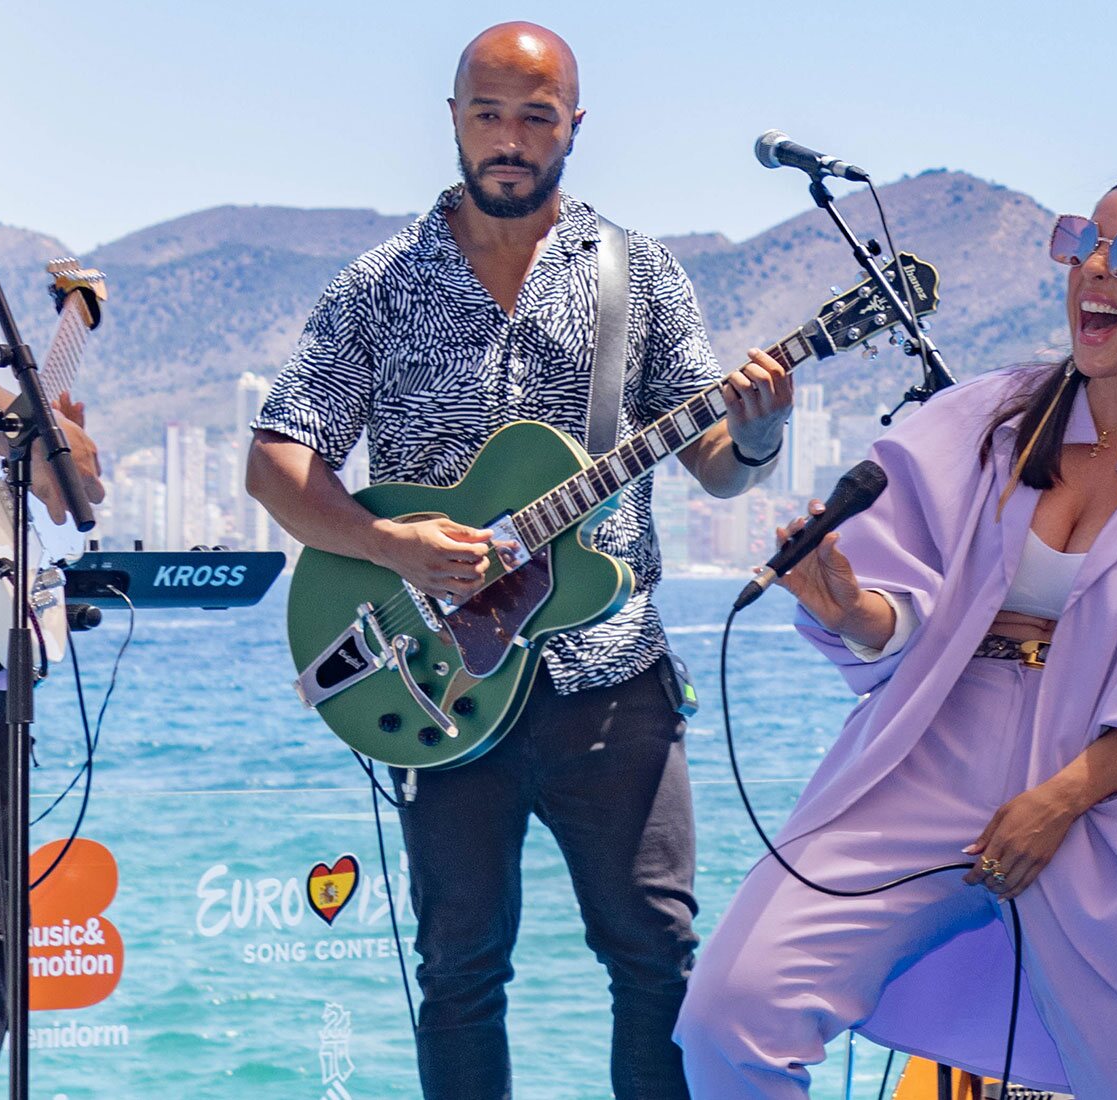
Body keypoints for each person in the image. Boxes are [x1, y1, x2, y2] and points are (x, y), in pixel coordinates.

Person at [245, 23, 792, 1099]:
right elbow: (276, 461)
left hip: (611, 679)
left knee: (656, 961)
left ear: (572, 128)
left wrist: (763, 428)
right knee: (457, 972)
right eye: (488, 112)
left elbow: (719, 468)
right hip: (435, 679)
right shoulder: (379, 286)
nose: (509, 138)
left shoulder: (638, 278)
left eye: (535, 117)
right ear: (452, 117)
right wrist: (388, 540)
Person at [677, 173, 1117, 1099]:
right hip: (931, 751)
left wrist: (1057, 804)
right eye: (1083, 241)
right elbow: (906, 615)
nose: (1093, 268)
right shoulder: (993, 418)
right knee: (728, 1021)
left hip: (1105, 794)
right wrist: (849, 610)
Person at [0, 386, 107, 1067]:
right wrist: (33, 427)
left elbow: (74, 507)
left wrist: (52, 450)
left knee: (1, 938)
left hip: (0, 702)